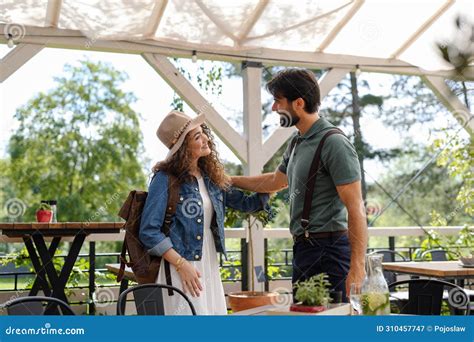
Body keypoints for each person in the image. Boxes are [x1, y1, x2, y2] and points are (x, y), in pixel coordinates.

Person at [231, 68, 367, 301]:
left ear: (299, 103)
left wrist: (357, 266)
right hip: (304, 249)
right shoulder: (297, 141)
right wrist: (230, 180)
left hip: (330, 251)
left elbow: (356, 208)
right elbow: (276, 181)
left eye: (278, 101)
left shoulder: (334, 143)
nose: (274, 108)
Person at [139, 110, 270, 315]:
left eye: (203, 133)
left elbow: (247, 204)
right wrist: (183, 265)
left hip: (207, 263)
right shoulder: (164, 179)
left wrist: (274, 183)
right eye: (197, 137)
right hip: (180, 266)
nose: (206, 139)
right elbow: (149, 231)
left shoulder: (211, 179)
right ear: (182, 147)